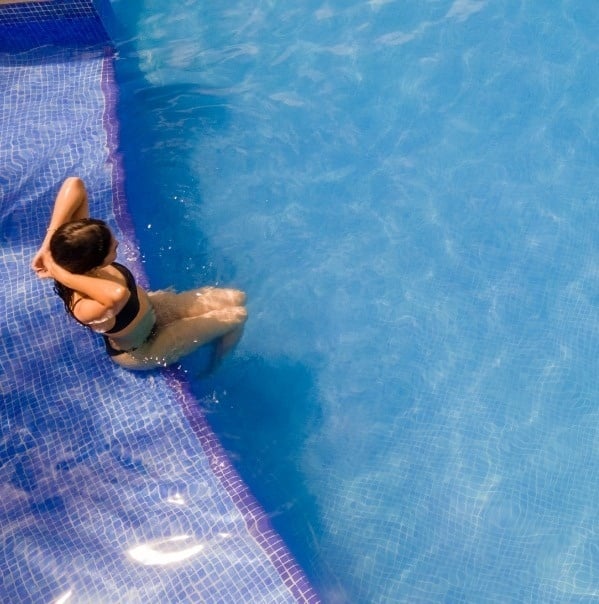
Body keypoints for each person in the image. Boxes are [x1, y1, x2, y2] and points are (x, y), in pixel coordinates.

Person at [31, 177, 247, 371]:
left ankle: (214, 339)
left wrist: (48, 247)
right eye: (112, 249)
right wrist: (58, 272)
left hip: (153, 309)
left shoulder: (75, 255)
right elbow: (118, 294)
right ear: (93, 263)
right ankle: (217, 366)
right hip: (144, 347)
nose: (117, 244)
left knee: (237, 297)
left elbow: (74, 184)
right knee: (238, 316)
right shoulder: (83, 306)